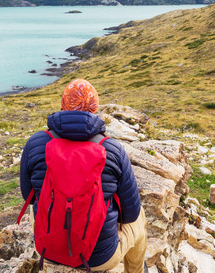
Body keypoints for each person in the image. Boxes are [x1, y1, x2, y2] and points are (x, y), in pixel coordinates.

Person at [19, 78, 148, 272]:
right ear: (94, 107)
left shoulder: (36, 142)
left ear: (63, 104)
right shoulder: (112, 149)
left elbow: (27, 196)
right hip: (99, 259)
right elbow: (130, 214)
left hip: (47, 250)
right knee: (140, 219)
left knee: (36, 202)